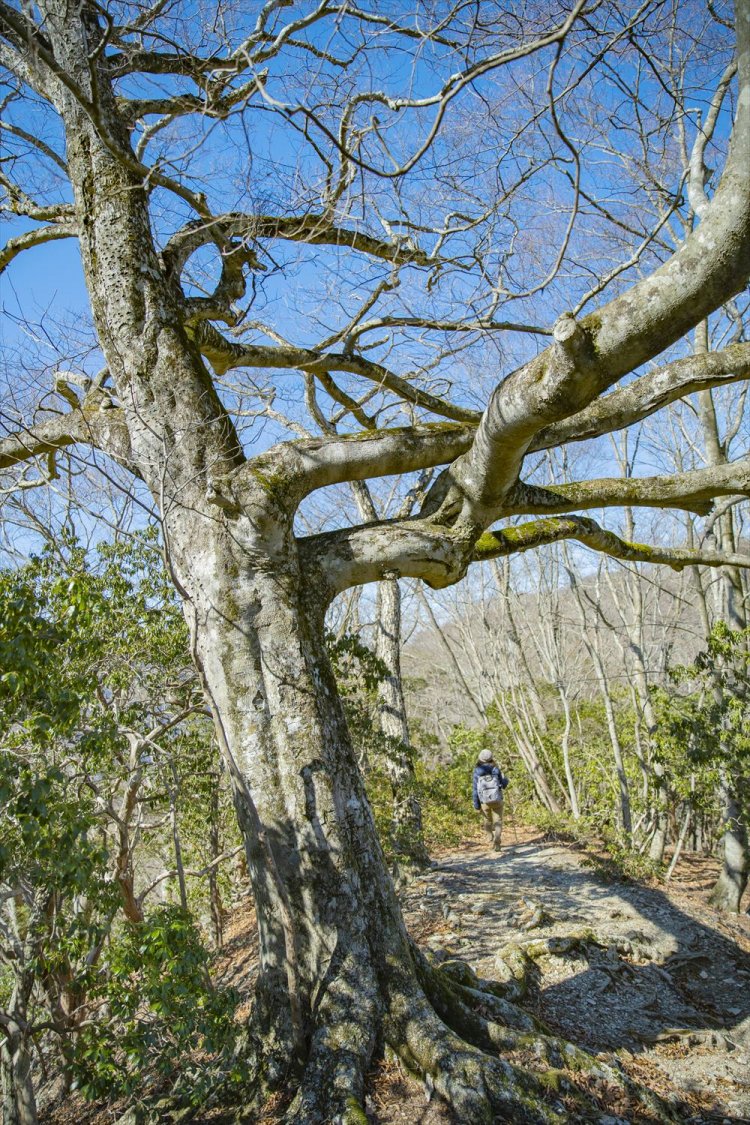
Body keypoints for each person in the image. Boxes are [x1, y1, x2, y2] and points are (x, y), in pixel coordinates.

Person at [472, 749, 509, 852]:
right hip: (497, 799)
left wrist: (476, 805)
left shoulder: (477, 771)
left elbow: (475, 790)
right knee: (498, 821)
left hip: (484, 802)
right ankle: (497, 843)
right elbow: (504, 784)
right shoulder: (496, 769)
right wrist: (505, 779)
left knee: (487, 821)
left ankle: (490, 839)